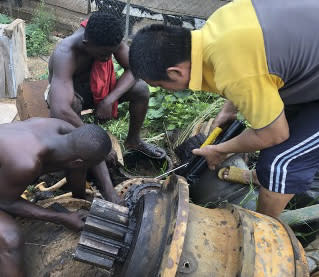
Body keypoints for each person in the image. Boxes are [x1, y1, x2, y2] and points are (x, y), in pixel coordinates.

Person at [128, 0, 319, 218]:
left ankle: (264, 233)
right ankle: (263, 179)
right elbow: (254, 63)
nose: (166, 90)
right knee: (281, 122)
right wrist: (228, 109)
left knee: (279, 161)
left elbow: (274, 134)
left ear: (175, 72)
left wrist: (220, 150)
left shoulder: (236, 72)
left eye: (161, 86)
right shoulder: (218, 24)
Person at [0, 118, 112, 277]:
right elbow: (1, 201)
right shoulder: (26, 162)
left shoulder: (64, 129)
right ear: (77, 162)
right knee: (10, 238)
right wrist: (62, 218)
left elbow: (78, 170)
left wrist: (80, 204)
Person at [47, 12, 166, 204]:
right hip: (72, 96)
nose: (109, 57)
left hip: (98, 91)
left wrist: (109, 99)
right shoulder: (66, 53)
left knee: (141, 90)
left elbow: (134, 68)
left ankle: (134, 141)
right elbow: (59, 108)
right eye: (103, 54)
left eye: (112, 52)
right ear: (87, 44)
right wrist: (100, 144)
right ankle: (102, 184)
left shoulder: (109, 39)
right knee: (73, 104)